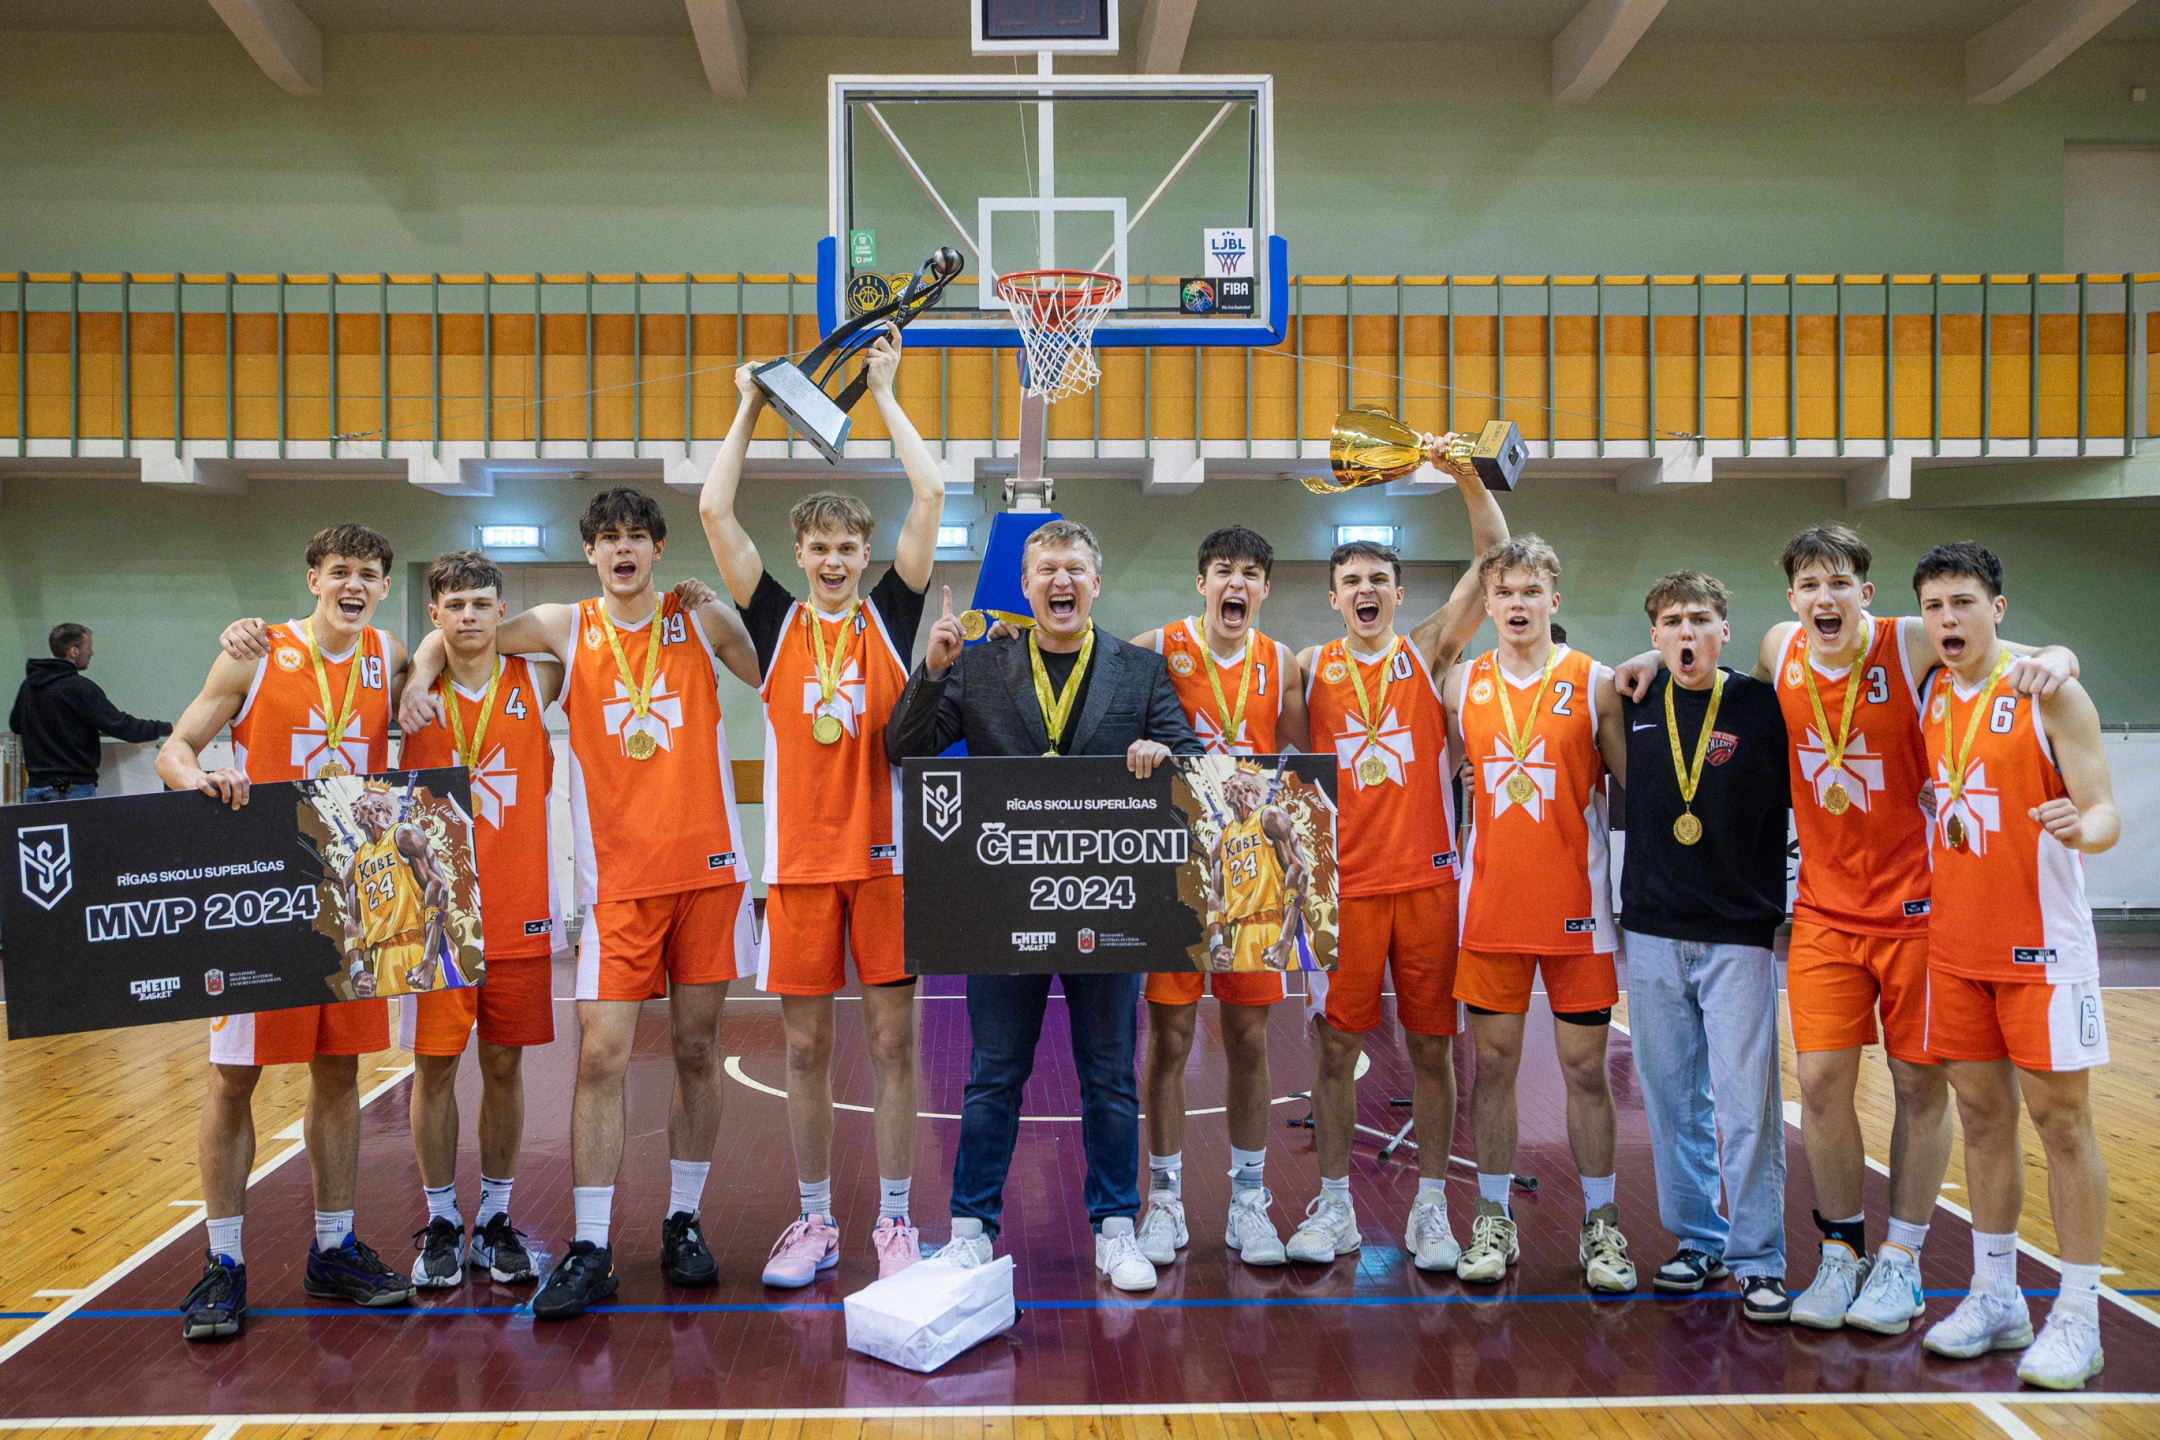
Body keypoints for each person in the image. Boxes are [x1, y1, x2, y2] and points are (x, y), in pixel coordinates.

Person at [1615, 524, 2079, 1333]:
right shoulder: (1780, 648)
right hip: (1825, 914)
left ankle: (1900, 1259)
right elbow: (1711, 674)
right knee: (1822, 1087)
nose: (1824, 598)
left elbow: (2002, 651)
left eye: (1839, 584)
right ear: (1792, 598)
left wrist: (2063, 657)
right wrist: (1655, 657)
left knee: (1918, 1088)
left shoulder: (1908, 643)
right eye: (1810, 585)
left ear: (1865, 594)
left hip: (1917, 913)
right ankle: (1840, 1251)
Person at [399, 487, 762, 1320]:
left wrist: (728, 604)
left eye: (637, 536)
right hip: (618, 885)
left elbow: (764, 670)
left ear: (658, 548)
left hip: (709, 872)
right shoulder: (564, 626)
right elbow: (459, 632)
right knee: (601, 1059)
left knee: (698, 1050)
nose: (623, 549)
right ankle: (592, 1244)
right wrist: (418, 674)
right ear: (591, 551)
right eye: (608, 538)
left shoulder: (697, 617)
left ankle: (683, 1220)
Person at [885, 518, 1203, 1293]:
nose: (1061, 581)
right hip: (1004, 905)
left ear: (1096, 583)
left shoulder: (1141, 671)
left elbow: (1192, 762)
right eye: (1047, 569)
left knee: (1109, 1075)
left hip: (1107, 904)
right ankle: (970, 1232)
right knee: (993, 1074)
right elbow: (905, 748)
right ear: (1026, 587)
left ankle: (1115, 1228)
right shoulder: (977, 667)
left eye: (1074, 568)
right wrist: (932, 669)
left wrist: (1163, 755)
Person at [698, 329, 938, 1286]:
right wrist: (750, 405)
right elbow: (715, 509)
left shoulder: (892, 616)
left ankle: (895, 1221)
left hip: (887, 865)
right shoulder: (775, 621)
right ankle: (812, 1221)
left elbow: (930, 494)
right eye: (820, 548)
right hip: (798, 868)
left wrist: (885, 393)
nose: (834, 561)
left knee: (892, 1044)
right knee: (803, 1050)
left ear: (866, 554)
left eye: (847, 548)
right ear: (798, 553)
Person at [157, 525, 414, 1341]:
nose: (353, 585)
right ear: (313, 579)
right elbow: (175, 748)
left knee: (339, 1071)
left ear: (383, 589)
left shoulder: (389, 654)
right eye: (340, 571)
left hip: (354, 896)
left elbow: (447, 651)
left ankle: (333, 1249)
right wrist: (201, 778)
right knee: (234, 1079)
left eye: (368, 574)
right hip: (262, 898)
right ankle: (223, 1262)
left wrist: (423, 686)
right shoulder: (255, 652)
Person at [1288, 441, 1507, 1273]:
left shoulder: (1428, 651)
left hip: (1427, 885)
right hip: (1341, 890)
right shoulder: (1307, 670)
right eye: (1352, 580)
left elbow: (1494, 563)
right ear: (1333, 596)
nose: (1366, 590)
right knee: (1334, 1051)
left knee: (1431, 1050)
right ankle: (1335, 1205)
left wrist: (1466, 478)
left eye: (1379, 578)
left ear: (1398, 593)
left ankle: (1431, 1209)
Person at [1909, 543, 2116, 1391]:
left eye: (1963, 602)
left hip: (2044, 949)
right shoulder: (1931, 691)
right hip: (1957, 947)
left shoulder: (2048, 691)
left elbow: (2105, 812)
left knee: (2062, 1124)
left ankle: (2079, 1316)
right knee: (1982, 1118)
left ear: (1996, 608)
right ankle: (1997, 1295)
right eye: (1935, 606)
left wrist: (2081, 828)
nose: (1948, 619)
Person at [1444, 536, 1634, 1292]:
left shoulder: (1595, 682)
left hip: (1577, 909)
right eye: (1505, 592)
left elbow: (1635, 787)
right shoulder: (1461, 683)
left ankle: (1601, 1223)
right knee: (1491, 1066)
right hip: (1490, 906)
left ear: (1554, 599)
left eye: (1531, 591)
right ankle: (1493, 1216)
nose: (1517, 604)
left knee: (1586, 1070)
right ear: (1487, 604)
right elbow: (1452, 771)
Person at [1129, 525, 1310, 1270]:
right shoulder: (1154, 647)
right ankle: (1165, 1200)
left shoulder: (1282, 663)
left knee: (1249, 1040)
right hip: (1175, 872)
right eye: (1224, 571)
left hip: (1252, 877)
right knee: (1170, 1039)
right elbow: (1113, 727)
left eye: (1250, 574)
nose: (1236, 584)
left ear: (1265, 589)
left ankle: (1247, 1200)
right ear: (1202, 581)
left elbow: (1307, 759)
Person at [1617, 571, 1793, 1323]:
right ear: (1654, 635)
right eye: (1671, 622)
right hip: (1652, 928)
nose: (1685, 632)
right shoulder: (1633, 699)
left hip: (1738, 934)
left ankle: (1759, 1259)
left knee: (1749, 1105)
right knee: (1672, 1102)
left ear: (1725, 629)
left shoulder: (1763, 705)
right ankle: (1698, 1239)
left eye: (1699, 619)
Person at [394, 551, 564, 1290]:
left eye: (481, 604)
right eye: (454, 605)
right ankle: (440, 1220)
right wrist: (421, 673)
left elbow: (589, 634)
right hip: (436, 916)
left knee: (504, 1066)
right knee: (433, 1069)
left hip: (520, 909)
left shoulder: (539, 679)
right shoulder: (407, 695)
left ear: (501, 611)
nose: (468, 616)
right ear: (433, 613)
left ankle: (495, 1218)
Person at [10, 622, 170, 801]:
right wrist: (166, 728)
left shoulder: (28, 686)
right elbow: (119, 725)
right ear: (74, 651)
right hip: (72, 789)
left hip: (35, 787)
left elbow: (16, 724)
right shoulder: (80, 687)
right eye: (88, 647)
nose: (91, 653)